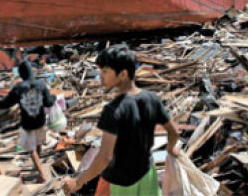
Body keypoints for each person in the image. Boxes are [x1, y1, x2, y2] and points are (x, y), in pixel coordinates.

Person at [63, 44, 180, 196]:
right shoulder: (151, 99)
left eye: (105, 72)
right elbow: (174, 132)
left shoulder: (114, 110)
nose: (101, 77)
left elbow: (105, 157)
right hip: (147, 174)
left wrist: (78, 182)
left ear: (123, 74)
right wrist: (171, 149)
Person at [0, 61, 56, 182]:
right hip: (40, 120)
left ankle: (41, 174)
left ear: (21, 74)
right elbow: (48, 102)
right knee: (38, 143)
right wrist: (54, 97)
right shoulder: (41, 84)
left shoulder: (19, 88)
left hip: (28, 123)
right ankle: (38, 165)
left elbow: (6, 103)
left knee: (31, 149)